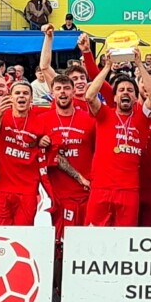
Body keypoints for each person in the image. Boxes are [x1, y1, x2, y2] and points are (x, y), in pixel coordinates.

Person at [84, 51, 151, 227]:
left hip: (129, 190)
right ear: (115, 97)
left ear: (135, 97)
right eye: (121, 90)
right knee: (94, 235)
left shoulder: (142, 117)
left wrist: (140, 65)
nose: (126, 93)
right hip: (101, 187)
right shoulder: (105, 114)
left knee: (125, 237)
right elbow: (89, 96)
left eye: (130, 90)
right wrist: (108, 67)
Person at [0, 81, 57, 225]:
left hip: (27, 188)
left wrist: (45, 140)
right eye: (17, 93)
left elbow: (51, 141)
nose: (21, 96)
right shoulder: (1, 115)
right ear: (11, 97)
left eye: (25, 93)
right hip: (0, 186)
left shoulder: (40, 120)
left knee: (23, 233)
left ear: (31, 98)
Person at [40, 71, 96, 237]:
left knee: (85, 240)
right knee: (60, 243)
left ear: (73, 92)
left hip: (86, 191)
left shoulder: (90, 120)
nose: (62, 92)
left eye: (66, 88)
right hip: (58, 194)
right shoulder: (42, 119)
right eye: (58, 89)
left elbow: (99, 152)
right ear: (52, 93)